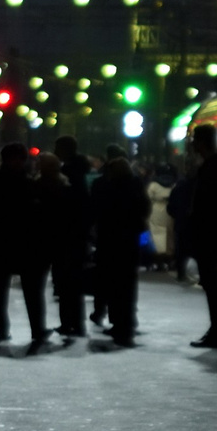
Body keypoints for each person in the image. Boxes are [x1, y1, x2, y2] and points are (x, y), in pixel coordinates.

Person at [0, 143, 51, 352]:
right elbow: (40, 217)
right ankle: (37, 331)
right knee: (33, 293)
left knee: (0, 293)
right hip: (28, 245)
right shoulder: (30, 184)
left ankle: (3, 331)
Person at [180, 125, 217, 348]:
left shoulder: (211, 167)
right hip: (216, 233)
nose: (193, 144)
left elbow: (207, 204)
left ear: (202, 142)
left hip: (210, 234)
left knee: (213, 285)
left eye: (195, 140)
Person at [92, 145, 146, 345]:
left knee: (113, 284)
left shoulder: (107, 187)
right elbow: (143, 211)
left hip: (110, 242)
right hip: (130, 243)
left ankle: (118, 323)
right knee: (129, 285)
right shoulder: (136, 185)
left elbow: (99, 213)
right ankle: (128, 322)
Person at [43, 147, 91, 337]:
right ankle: (76, 323)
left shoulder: (59, 185)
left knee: (64, 285)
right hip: (75, 240)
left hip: (61, 240)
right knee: (73, 286)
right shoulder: (76, 182)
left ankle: (68, 323)